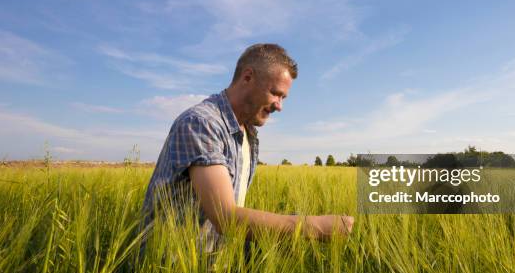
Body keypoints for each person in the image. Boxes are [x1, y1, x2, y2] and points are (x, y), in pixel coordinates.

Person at [140, 43, 354, 253]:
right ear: (248, 77)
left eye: (283, 97)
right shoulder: (201, 123)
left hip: (212, 262)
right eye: (275, 93)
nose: (279, 106)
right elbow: (225, 218)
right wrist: (313, 228)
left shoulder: (247, 134)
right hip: (170, 270)